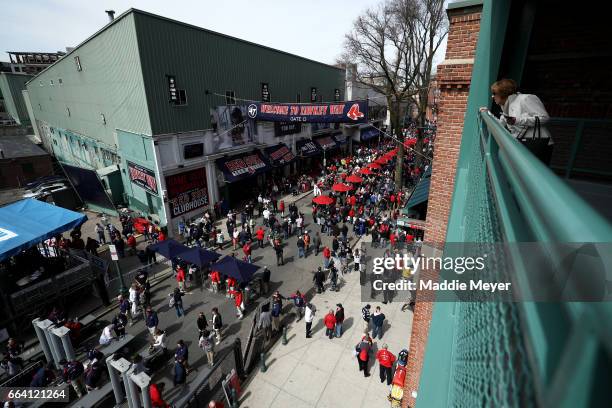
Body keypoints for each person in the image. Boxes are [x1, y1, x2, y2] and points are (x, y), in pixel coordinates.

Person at [486, 78, 553, 164]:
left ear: (504, 93)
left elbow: (544, 117)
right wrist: (488, 115)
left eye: (494, 93)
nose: (492, 96)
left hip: (537, 143)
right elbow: (500, 125)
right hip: (523, 143)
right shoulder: (506, 105)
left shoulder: (526, 98)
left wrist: (517, 120)